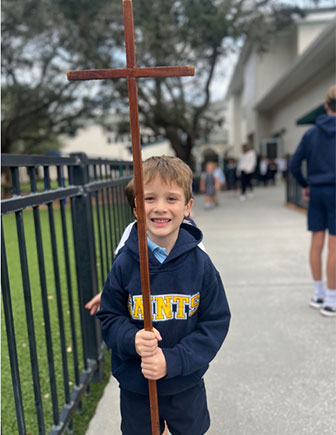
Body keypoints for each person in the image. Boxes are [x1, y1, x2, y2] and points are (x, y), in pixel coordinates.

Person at [97, 156, 231, 435]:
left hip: (186, 382)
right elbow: (109, 316)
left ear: (187, 207)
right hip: (137, 385)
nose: (160, 208)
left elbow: (215, 321)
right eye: (149, 199)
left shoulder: (200, 264)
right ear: (136, 208)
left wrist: (172, 361)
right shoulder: (124, 263)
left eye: (171, 198)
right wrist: (131, 339)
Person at [289, 84, 336, 318]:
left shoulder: (311, 134)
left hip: (317, 190)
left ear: (326, 106)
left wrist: (305, 184)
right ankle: (331, 299)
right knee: (334, 246)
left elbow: (294, 164)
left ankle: (318, 293)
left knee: (317, 241)